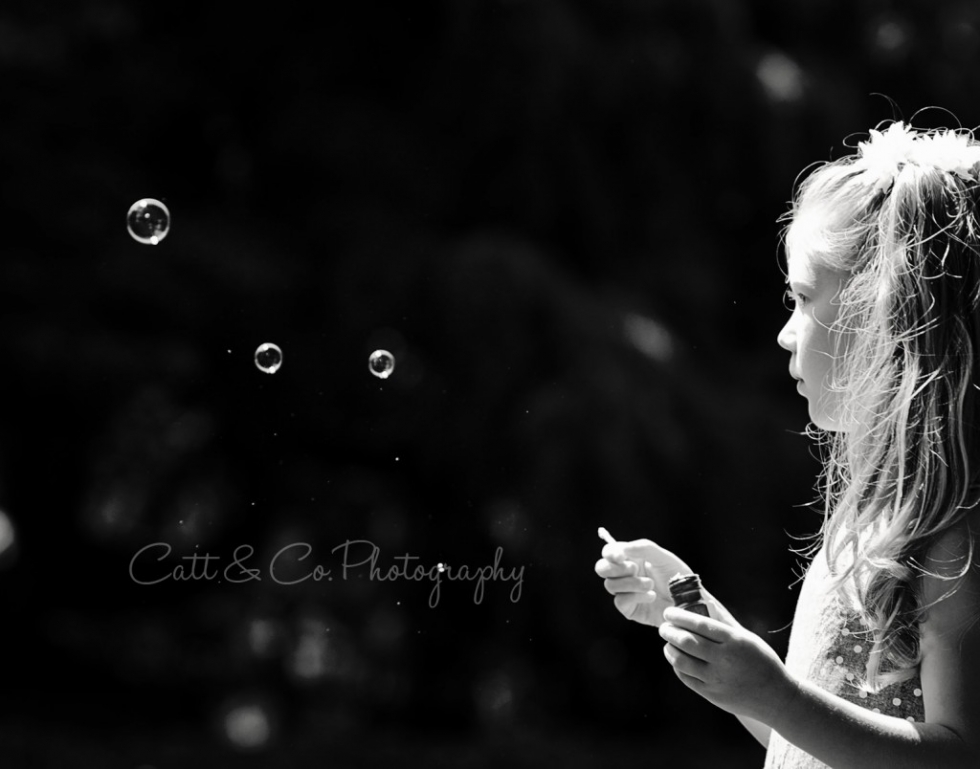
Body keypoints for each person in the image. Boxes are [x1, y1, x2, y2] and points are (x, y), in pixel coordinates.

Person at [595, 121, 980, 768]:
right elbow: (810, 736)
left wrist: (776, 695)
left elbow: (961, 753)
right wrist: (696, 611)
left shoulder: (951, 533)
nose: (784, 333)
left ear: (882, 316)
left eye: (803, 298)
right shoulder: (870, 521)